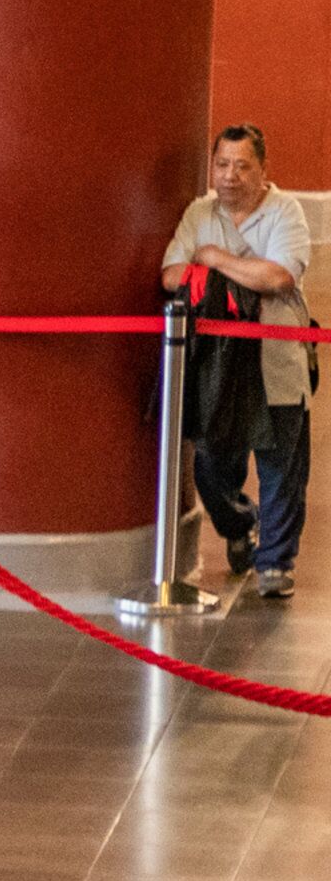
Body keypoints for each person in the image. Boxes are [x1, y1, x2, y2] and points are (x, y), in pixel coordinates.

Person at [161, 123, 313, 600]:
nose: (230, 176)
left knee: (281, 466)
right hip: (218, 366)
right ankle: (238, 526)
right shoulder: (199, 213)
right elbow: (170, 274)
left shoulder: (285, 212)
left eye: (242, 166)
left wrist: (212, 258)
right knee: (210, 466)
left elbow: (279, 277)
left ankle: (276, 562)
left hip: (276, 357)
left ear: (263, 169)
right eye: (222, 165)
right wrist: (236, 271)